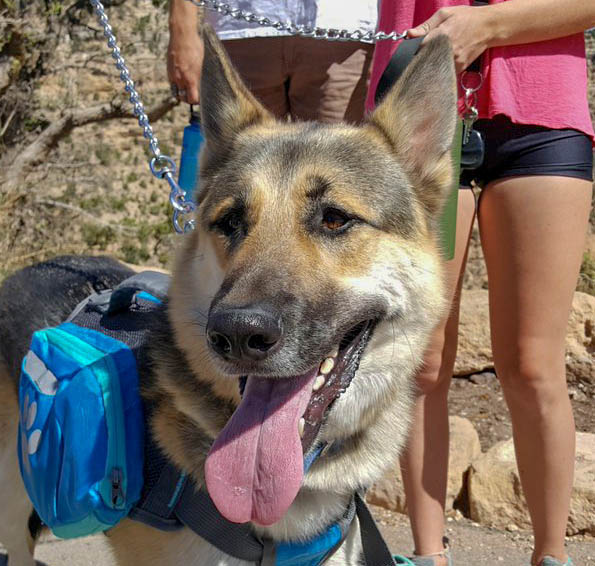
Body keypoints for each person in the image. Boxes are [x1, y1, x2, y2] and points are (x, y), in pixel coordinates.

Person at [365, 2, 595, 566]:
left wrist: (489, 27)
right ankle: (428, 556)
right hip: (415, 116)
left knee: (532, 364)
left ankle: (551, 556)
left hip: (543, 118)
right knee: (419, 361)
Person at [167, 0, 377, 123]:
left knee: (337, 172)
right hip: (239, 26)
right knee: (237, 172)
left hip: (342, 28)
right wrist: (181, 29)